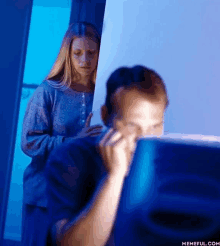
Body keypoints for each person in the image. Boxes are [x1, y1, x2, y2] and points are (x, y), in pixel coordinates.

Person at [45, 65, 169, 246]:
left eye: (154, 127)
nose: (143, 139)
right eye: (132, 126)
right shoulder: (68, 158)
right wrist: (114, 176)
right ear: (105, 116)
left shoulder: (168, 163)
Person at [21, 22, 103, 246]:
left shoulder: (103, 93)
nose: (85, 60)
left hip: (81, 198)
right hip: (43, 196)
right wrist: (73, 141)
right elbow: (29, 142)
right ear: (67, 54)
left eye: (91, 53)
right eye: (77, 53)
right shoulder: (48, 92)